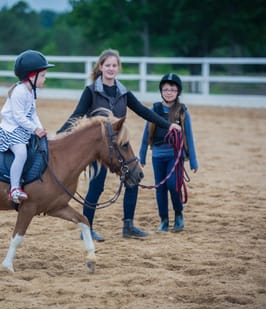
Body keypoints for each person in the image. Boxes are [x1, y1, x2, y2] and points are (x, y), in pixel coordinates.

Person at [57, 49, 181, 241]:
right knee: (96, 187)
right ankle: (87, 230)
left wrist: (168, 124)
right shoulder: (91, 91)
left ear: (118, 68)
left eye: (114, 65)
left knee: (133, 179)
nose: (111, 69)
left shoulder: (123, 92)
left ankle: (128, 226)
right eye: (107, 65)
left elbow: (143, 111)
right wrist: (59, 136)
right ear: (100, 67)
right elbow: (77, 114)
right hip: (97, 148)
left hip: (119, 144)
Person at [139, 73, 198, 232]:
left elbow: (189, 136)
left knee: (173, 185)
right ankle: (164, 220)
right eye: (165, 89)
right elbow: (146, 134)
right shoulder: (155, 109)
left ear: (178, 91)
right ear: (161, 91)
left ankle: (178, 215)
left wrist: (193, 160)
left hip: (175, 155)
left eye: (172, 89)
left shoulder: (182, 111)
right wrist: (142, 155)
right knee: (161, 188)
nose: (169, 92)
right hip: (157, 155)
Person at [0, 50, 54, 203]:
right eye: (42, 76)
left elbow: (33, 113)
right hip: (10, 129)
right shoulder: (20, 92)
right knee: (21, 153)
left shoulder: (31, 91)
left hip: (22, 127)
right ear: (31, 76)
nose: (44, 79)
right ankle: (14, 189)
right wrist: (34, 129)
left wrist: (40, 128)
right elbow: (19, 116)